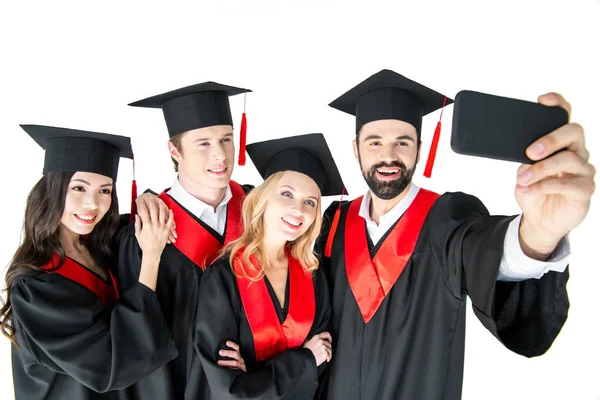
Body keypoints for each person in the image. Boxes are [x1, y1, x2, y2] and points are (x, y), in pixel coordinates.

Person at [315, 69, 595, 400]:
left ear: (419, 149)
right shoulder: (333, 223)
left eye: (402, 143)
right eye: (374, 142)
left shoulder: (447, 217)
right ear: (356, 149)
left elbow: (484, 250)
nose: (387, 156)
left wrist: (540, 235)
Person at [0, 125, 178, 400]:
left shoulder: (103, 247)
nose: (91, 204)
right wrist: (151, 258)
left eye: (105, 191)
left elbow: (137, 223)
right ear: (53, 190)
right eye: (79, 188)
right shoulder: (35, 286)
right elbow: (108, 364)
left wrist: (148, 198)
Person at [117, 81, 253, 399]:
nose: (220, 154)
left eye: (226, 139)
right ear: (175, 151)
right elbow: (137, 334)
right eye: (203, 143)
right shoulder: (144, 231)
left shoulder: (256, 210)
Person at [195, 133, 345, 399]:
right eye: (287, 193)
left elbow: (324, 365)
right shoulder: (223, 277)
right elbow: (227, 389)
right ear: (262, 199)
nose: (298, 210)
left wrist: (254, 376)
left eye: (310, 202)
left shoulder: (314, 275)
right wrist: (305, 359)